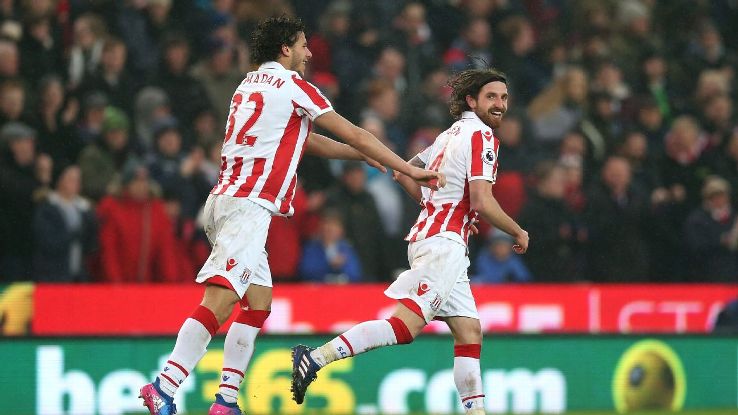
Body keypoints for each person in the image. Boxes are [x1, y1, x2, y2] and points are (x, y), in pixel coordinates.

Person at [139, 16, 443, 415]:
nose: (309, 51)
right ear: (285, 48)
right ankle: (165, 385)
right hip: (248, 207)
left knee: (258, 301)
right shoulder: (293, 86)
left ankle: (226, 399)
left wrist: (362, 154)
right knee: (220, 299)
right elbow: (354, 131)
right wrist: (405, 166)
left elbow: (305, 138)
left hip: (225, 201)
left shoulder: (247, 84)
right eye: (302, 44)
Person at [290, 68, 529, 415]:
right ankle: (314, 358)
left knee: (469, 330)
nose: (500, 104)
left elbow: (403, 172)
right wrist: (517, 231)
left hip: (437, 237)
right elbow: (481, 200)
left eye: (504, 98)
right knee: (404, 326)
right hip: (443, 244)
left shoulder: (448, 136)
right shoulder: (483, 138)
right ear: (471, 100)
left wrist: (440, 209)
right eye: (491, 97)